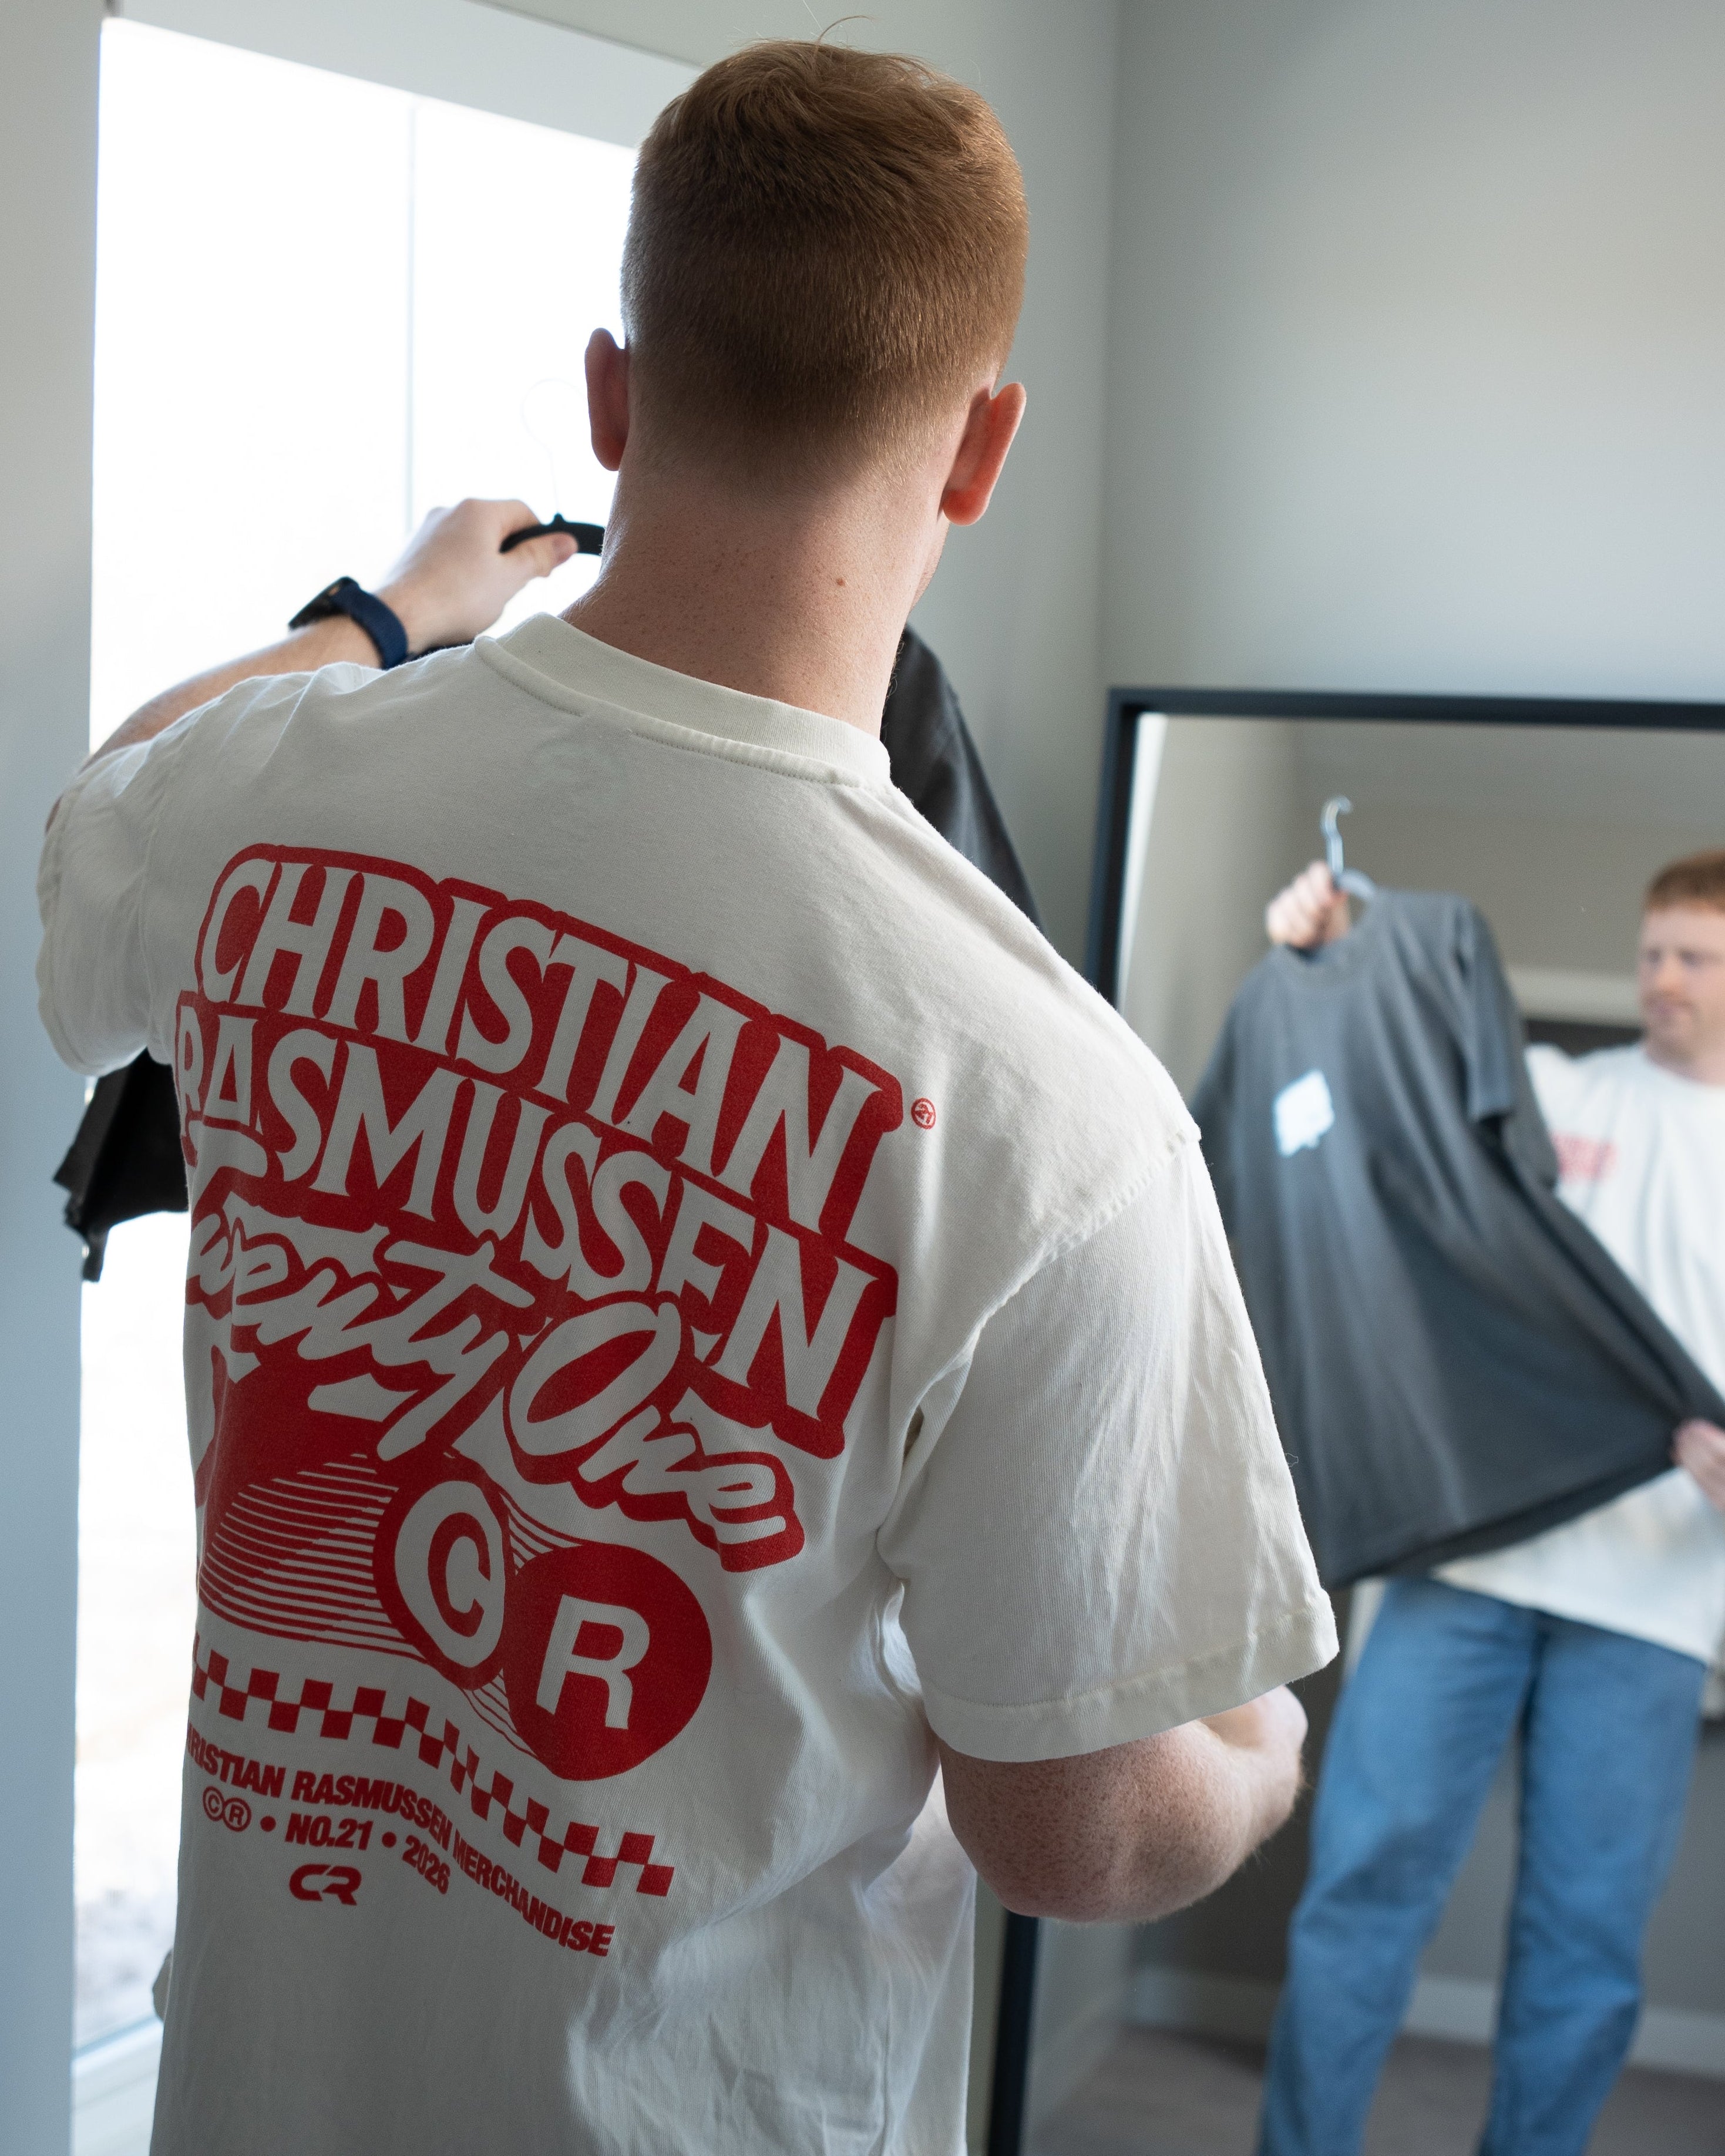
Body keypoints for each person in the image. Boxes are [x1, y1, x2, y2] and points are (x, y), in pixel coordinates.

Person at [36, 43, 1334, 2156]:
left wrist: (388, 616)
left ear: (610, 398)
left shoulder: (263, 817)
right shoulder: (1048, 1113)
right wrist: (1257, 1748)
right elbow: (1074, 1830)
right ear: (983, 445)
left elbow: (110, 807)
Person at [1256, 849, 1725, 2156]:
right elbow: (1390, 1070)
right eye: (1651, 951)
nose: (1661, 977)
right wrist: (1326, 954)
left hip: (1650, 1601)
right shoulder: (1558, 1094)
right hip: (1461, 1560)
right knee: (1359, 1891)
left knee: (1584, 1940)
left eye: (1694, 956)